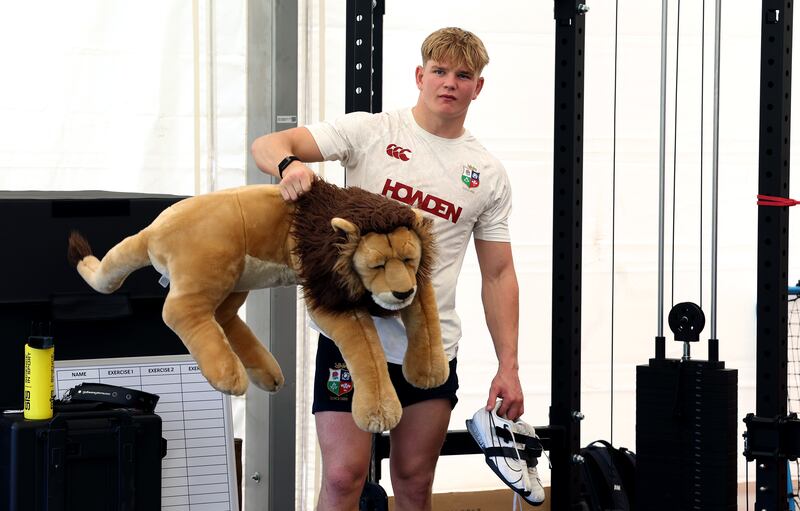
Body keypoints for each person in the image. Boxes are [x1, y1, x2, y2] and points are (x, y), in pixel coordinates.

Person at [251, 26, 523, 511]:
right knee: (342, 478)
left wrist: (509, 365)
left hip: (431, 345)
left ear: (477, 87)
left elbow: (498, 274)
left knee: (414, 482)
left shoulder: (488, 173)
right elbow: (269, 143)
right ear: (420, 75)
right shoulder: (371, 132)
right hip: (353, 339)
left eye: (463, 75)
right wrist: (290, 165)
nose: (449, 83)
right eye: (439, 71)